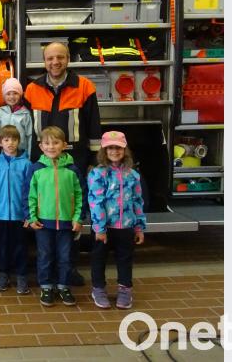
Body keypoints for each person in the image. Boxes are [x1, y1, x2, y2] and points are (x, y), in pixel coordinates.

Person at [24, 41, 102, 287]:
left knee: (72, 218)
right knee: (45, 217)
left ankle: (69, 271)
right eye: (50, 58)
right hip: (42, 164)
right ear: (43, 61)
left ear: (68, 58)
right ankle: (47, 273)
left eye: (60, 57)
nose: (55, 62)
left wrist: (93, 162)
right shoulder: (32, 89)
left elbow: (93, 126)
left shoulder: (84, 87)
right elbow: (26, 130)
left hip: (74, 162)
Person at [87, 131, 146, 310]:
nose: (114, 151)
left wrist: (139, 227)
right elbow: (95, 202)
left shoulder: (132, 175)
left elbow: (138, 201)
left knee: (125, 259)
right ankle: (98, 289)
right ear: (104, 151)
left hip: (126, 226)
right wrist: (99, 228)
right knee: (99, 258)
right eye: (110, 148)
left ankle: (125, 290)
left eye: (118, 147)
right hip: (103, 228)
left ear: (125, 150)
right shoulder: (98, 174)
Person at [24, 127, 83, 308]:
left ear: (64, 145)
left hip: (67, 222)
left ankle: (64, 286)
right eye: (47, 143)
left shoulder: (72, 169)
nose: (51, 147)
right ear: (41, 146)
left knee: (65, 256)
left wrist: (78, 217)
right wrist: (31, 216)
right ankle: (47, 286)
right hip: (43, 222)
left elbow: (81, 194)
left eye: (56, 143)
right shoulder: (36, 169)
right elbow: (29, 195)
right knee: (45, 255)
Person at [0, 125, 33, 295]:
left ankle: (21, 275)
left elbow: (31, 191)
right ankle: (3, 274)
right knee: (3, 246)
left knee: (21, 246)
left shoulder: (26, 164)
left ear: (18, 141)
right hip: (2, 214)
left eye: (13, 139)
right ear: (0, 143)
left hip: (20, 215)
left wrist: (29, 214)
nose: (10, 143)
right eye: (6, 140)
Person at [0, 77, 33, 159]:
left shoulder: (25, 114)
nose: (12, 97)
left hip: (21, 154)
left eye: (15, 93)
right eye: (8, 94)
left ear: (20, 95)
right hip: (3, 154)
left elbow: (30, 137)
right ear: (4, 96)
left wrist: (29, 156)